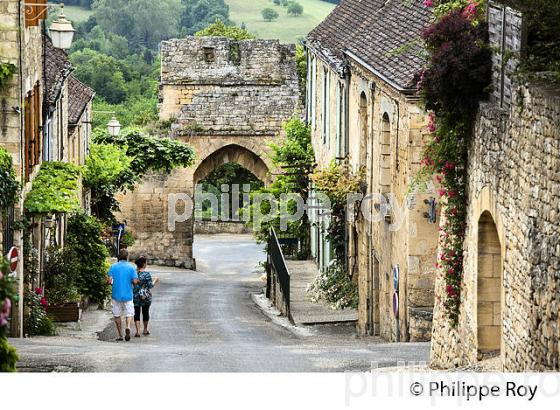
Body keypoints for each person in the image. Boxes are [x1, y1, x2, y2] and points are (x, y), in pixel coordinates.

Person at [107, 249, 138, 342]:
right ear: (127, 257)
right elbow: (135, 281)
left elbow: (109, 281)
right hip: (128, 294)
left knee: (117, 315)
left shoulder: (113, 266)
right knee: (129, 313)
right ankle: (127, 326)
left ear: (118, 257)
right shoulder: (131, 267)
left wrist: (111, 282)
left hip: (116, 294)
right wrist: (132, 281)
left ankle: (120, 335)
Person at [133, 256, 159, 337]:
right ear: (144, 264)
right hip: (145, 296)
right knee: (145, 312)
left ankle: (137, 331)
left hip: (136, 296)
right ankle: (145, 330)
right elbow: (150, 286)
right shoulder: (146, 274)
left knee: (136, 313)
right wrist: (155, 280)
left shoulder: (134, 273)